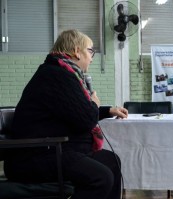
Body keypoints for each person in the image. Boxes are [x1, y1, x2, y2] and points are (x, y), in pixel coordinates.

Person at [4, 29, 128, 199]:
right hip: (35, 156)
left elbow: (74, 112)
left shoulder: (60, 72)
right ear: (77, 51)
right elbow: (85, 120)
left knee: (112, 161)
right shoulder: (57, 75)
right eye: (90, 51)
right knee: (100, 178)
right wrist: (93, 103)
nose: (92, 57)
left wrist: (106, 110)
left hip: (51, 149)